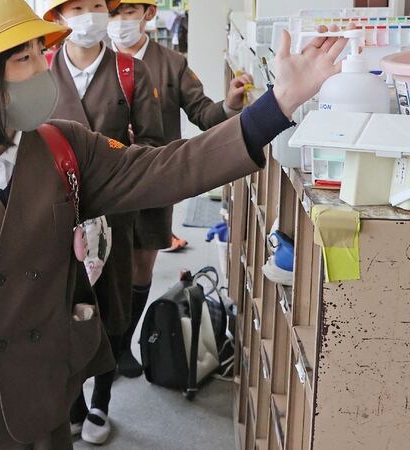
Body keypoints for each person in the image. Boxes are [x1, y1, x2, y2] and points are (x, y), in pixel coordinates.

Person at [0, 0, 349, 447]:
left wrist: (277, 107)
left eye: (37, 52)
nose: (41, 69)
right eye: (23, 59)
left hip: (44, 391)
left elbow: (168, 168)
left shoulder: (63, 149)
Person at [108, 0, 256, 379]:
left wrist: (230, 104)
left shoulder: (170, 63)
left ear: (147, 15)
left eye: (129, 12)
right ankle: (104, 345)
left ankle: (124, 343)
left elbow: (203, 112)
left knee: (143, 263)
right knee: (108, 266)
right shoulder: (99, 61)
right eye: (114, 13)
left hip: (157, 178)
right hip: (107, 181)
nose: (121, 21)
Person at [43, 0, 164, 443]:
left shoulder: (130, 71)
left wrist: (117, 162)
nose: (88, 14)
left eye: (96, 5)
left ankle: (101, 403)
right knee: (62, 304)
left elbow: (151, 145)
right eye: (77, 7)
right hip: (55, 213)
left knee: (112, 305)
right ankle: (73, 401)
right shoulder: (40, 70)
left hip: (114, 212)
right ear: (58, 17)